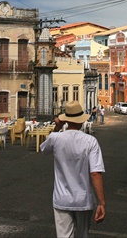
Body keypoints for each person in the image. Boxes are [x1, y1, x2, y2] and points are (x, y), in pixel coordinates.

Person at [40, 101, 106, 238]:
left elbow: (43, 149)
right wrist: (101, 203)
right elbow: (95, 174)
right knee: (82, 235)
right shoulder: (90, 141)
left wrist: (57, 128)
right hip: (83, 199)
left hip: (62, 198)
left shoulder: (55, 138)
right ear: (81, 121)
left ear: (66, 120)